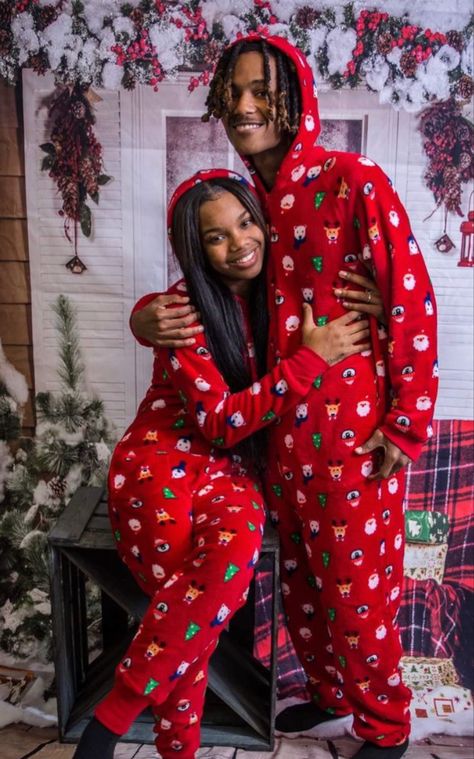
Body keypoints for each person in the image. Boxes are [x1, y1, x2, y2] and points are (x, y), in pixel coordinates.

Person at [130, 34, 438, 759]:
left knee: (358, 594)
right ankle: (333, 700)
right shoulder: (244, 202)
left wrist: (406, 425)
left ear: (295, 98)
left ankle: (386, 729)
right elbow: (203, 297)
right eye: (232, 92)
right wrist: (144, 319)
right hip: (276, 442)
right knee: (305, 592)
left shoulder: (352, 179)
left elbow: (412, 301)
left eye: (260, 90)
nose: (244, 106)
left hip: (352, 443)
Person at [73, 168, 377, 759]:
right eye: (216, 236)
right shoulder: (184, 312)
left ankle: (114, 717)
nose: (239, 242)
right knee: (182, 592)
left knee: (221, 574)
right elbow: (218, 420)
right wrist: (310, 362)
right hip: (160, 456)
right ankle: (175, 746)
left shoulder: (287, 297)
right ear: (197, 249)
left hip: (233, 471)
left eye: (245, 222)